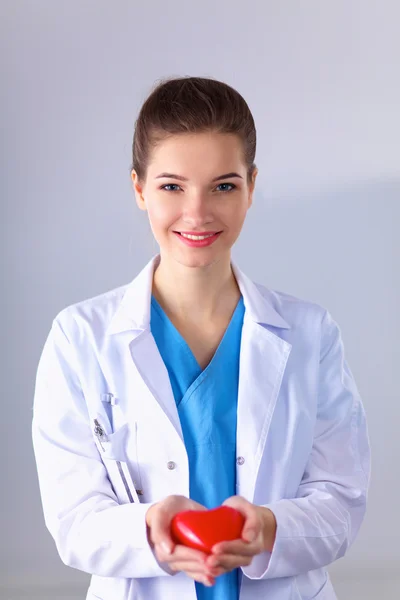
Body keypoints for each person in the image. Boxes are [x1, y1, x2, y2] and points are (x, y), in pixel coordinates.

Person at [32, 76, 371, 600]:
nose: (197, 212)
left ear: (252, 187)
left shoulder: (311, 334)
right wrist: (151, 531)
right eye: (172, 186)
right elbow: (73, 520)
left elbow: (341, 500)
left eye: (224, 185)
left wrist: (269, 528)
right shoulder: (79, 339)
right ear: (139, 189)